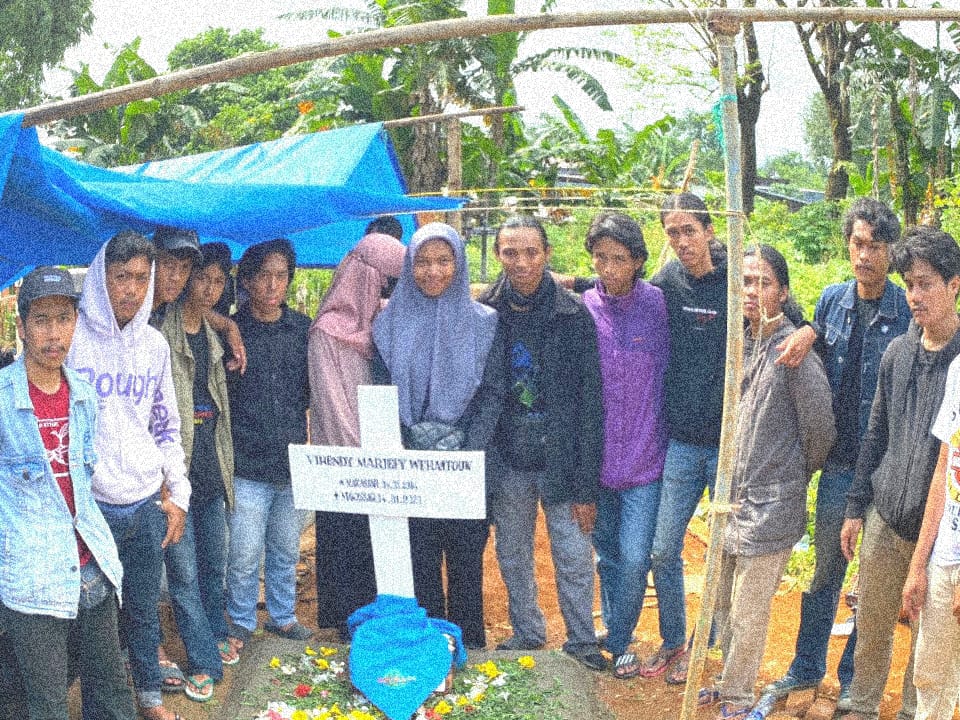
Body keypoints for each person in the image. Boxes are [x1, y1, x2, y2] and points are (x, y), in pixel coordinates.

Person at [765, 197, 910, 709]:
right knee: (826, 571)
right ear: (847, 246)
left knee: (872, 584)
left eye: (875, 246)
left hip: (889, 471)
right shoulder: (831, 301)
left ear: (890, 252)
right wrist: (807, 329)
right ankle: (805, 667)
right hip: (839, 464)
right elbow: (809, 332)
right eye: (857, 243)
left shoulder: (903, 311)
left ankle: (853, 682)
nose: (864, 255)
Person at [699, 244, 835, 720]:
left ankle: (737, 699)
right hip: (730, 500)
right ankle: (727, 680)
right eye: (745, 281)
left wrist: (791, 474)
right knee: (721, 602)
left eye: (763, 282)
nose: (752, 291)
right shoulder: (742, 339)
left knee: (748, 610)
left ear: (783, 291)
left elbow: (821, 431)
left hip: (773, 502)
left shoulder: (794, 348)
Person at [0, 267, 137, 720]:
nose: (53, 333)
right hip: (33, 573)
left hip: (91, 563)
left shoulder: (82, 395)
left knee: (113, 691)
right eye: (41, 320)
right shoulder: (2, 401)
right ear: (21, 327)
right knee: (46, 701)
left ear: (76, 322)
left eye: (63, 318)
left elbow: (83, 480)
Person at [837, 226, 960, 720]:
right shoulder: (897, 354)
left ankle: (913, 713)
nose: (914, 296)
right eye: (909, 283)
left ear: (955, 286)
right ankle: (863, 708)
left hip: (937, 532)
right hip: (886, 515)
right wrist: (854, 509)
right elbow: (875, 436)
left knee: (925, 642)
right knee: (872, 627)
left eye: (926, 283)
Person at [67, 230, 191, 720]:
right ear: (102, 276)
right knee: (90, 617)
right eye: (122, 277)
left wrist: (177, 491)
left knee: (142, 611)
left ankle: (149, 697)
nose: (132, 289)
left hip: (143, 504)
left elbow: (166, 423)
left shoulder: (154, 345)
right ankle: (82, 704)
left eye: (142, 278)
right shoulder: (73, 339)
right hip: (91, 507)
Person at [479, 214, 606, 671]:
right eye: (510, 252)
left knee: (572, 554)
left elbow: (592, 404)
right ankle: (528, 631)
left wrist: (587, 485)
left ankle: (582, 640)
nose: (521, 262)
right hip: (508, 456)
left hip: (563, 459)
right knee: (512, 551)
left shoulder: (574, 314)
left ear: (547, 254)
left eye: (531, 252)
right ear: (498, 255)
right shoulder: (485, 311)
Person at [372, 222, 505, 649]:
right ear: (409, 266)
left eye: (444, 261)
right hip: (412, 464)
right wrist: (409, 442)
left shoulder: (486, 323)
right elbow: (380, 387)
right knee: (421, 561)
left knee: (466, 561)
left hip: (467, 464)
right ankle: (428, 655)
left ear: (459, 264)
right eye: (423, 262)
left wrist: (464, 448)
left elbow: (493, 393)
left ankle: (470, 653)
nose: (434, 271)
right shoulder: (387, 323)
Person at [641, 192, 728, 683]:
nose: (681, 241)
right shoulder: (667, 282)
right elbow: (621, 291)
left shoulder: (739, 278)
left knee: (722, 550)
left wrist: (808, 332)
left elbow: (792, 314)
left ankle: (709, 641)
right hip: (681, 441)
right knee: (662, 548)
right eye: (672, 233)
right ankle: (675, 640)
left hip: (726, 443)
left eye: (689, 230)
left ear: (710, 230)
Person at [579, 213, 669, 679]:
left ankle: (619, 633)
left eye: (619, 259)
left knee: (636, 557)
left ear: (637, 261)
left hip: (646, 460)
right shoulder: (583, 307)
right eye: (600, 258)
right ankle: (619, 636)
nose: (609, 268)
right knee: (607, 554)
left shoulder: (658, 304)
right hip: (598, 462)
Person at [309, 231, 406, 638]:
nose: (391, 294)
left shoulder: (387, 326)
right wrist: (365, 464)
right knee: (345, 548)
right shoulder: (328, 332)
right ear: (365, 278)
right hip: (346, 466)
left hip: (384, 463)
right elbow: (332, 406)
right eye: (386, 284)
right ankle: (339, 627)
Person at [225, 238, 313, 653]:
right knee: (243, 555)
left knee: (284, 549)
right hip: (246, 465)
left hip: (292, 462)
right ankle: (241, 621)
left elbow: (313, 392)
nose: (273, 284)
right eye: (264, 275)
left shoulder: (302, 330)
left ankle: (283, 617)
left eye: (281, 275)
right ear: (247, 280)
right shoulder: (232, 330)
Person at [160, 242, 238, 684]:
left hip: (211, 470)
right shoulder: (160, 331)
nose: (209, 288)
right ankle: (203, 658)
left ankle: (215, 633)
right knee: (184, 574)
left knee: (213, 567)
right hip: (178, 476)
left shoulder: (211, 335)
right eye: (201, 278)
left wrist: (227, 326)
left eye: (216, 281)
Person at [903, 299, 960, 720]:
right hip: (945, 554)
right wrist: (919, 563)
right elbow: (945, 468)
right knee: (930, 675)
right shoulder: (958, 371)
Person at [150, 226, 247, 374]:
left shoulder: (213, 335)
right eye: (169, 265)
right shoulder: (133, 308)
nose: (176, 276)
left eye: (185, 267)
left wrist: (229, 325)